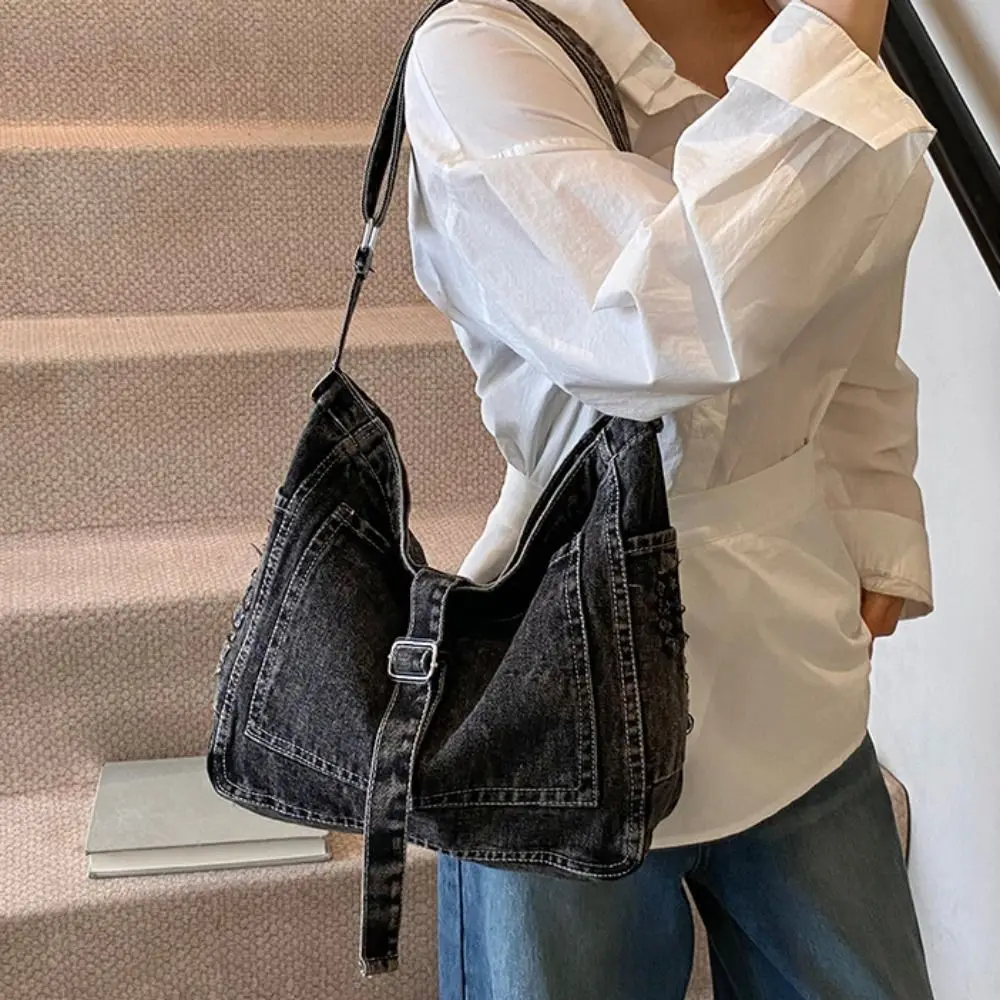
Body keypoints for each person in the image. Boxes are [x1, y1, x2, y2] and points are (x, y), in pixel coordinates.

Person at [403, 0, 937, 996]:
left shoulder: (808, 38)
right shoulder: (479, 49)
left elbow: (857, 324)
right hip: (558, 692)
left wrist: (877, 523)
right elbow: (651, 322)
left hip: (791, 659)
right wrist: (830, 46)